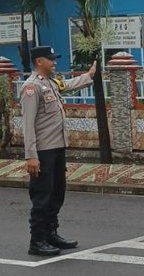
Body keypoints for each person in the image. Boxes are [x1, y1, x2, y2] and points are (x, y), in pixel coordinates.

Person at [21, 45, 96, 256]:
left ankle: (50, 233)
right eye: (50, 59)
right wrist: (31, 156)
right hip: (42, 151)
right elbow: (28, 125)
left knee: (57, 193)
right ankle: (37, 240)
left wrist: (89, 75)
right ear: (39, 61)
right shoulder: (31, 87)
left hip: (56, 148)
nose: (54, 62)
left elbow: (68, 85)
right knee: (42, 196)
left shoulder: (50, 83)